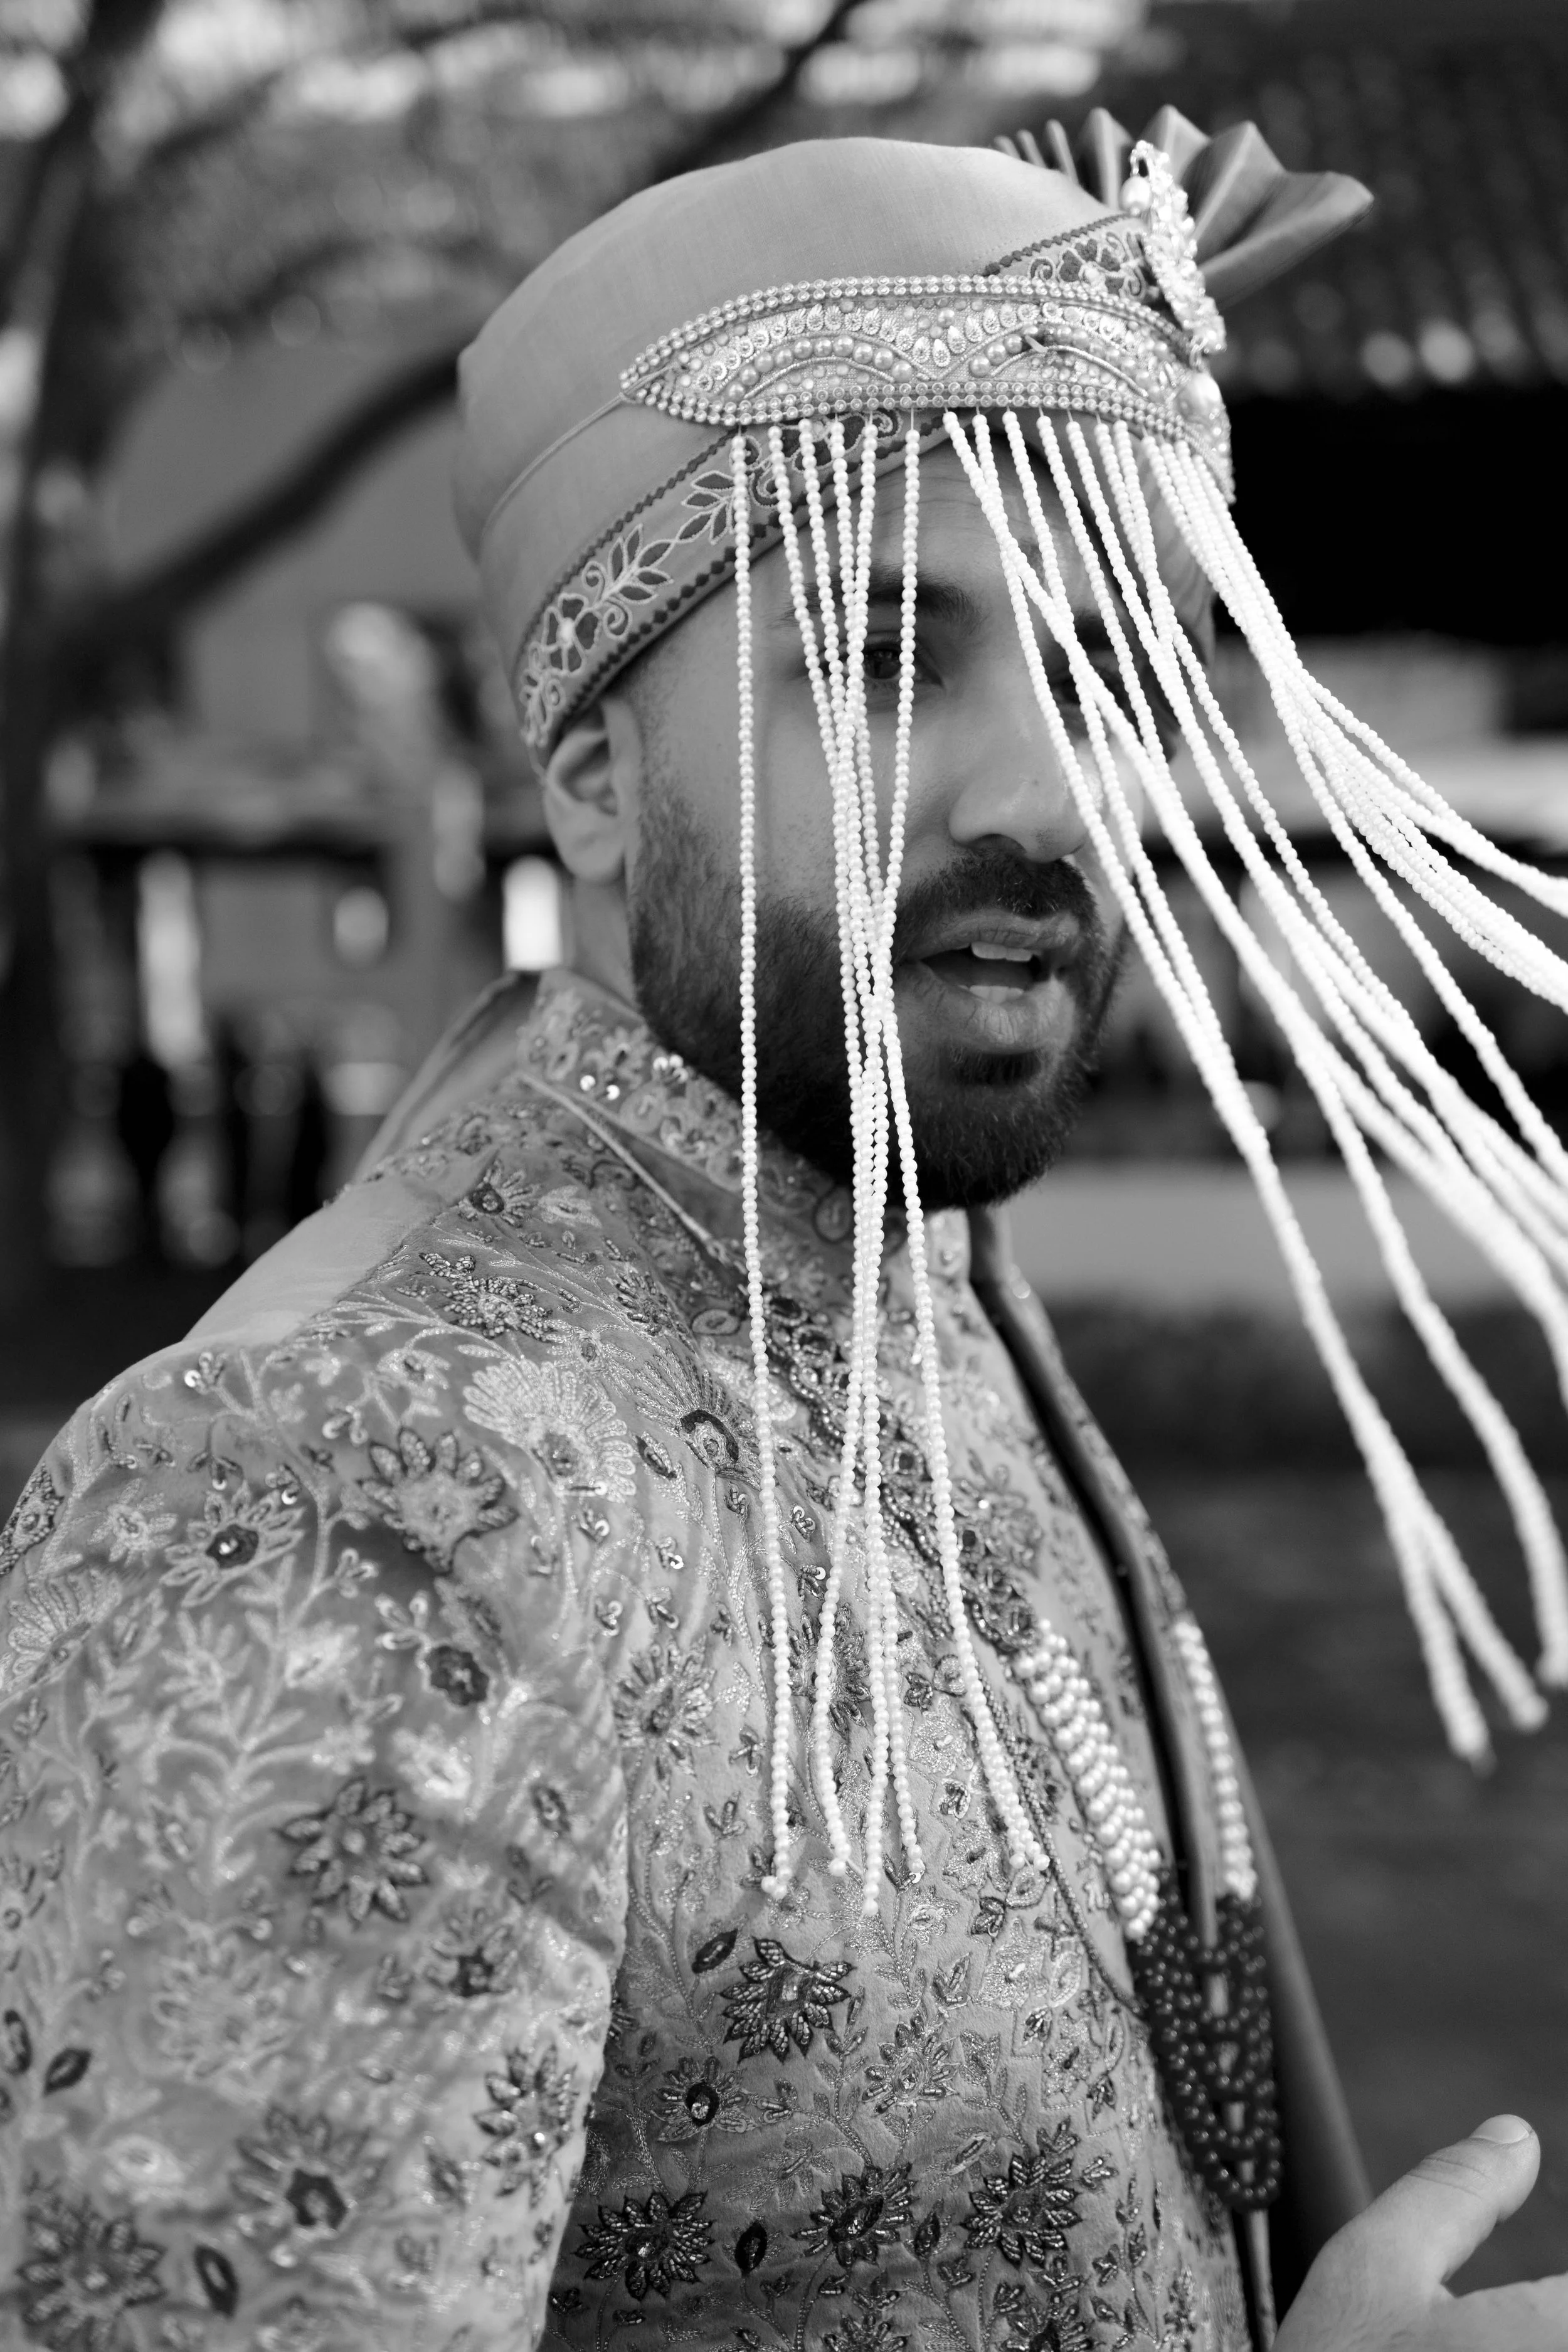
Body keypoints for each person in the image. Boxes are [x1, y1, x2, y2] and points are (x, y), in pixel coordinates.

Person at [3, 114, 1568, 2352]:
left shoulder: (912, 1271)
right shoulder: (343, 1492)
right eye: (871, 651)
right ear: (590, 768)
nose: (1042, 800)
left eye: (1108, 667)